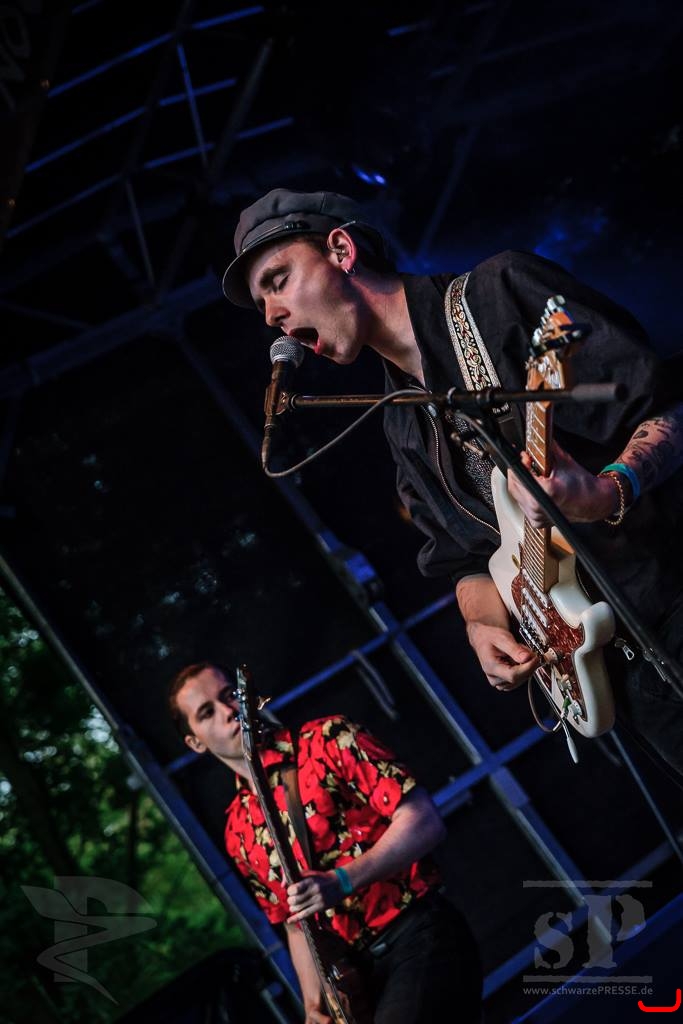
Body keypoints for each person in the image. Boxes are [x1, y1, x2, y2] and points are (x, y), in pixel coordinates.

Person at [220, 187, 683, 782]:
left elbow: (668, 409)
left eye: (278, 280)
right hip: (625, 678)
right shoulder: (398, 422)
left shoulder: (499, 293)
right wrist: (482, 626)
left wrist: (608, 491)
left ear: (341, 251)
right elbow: (464, 562)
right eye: (262, 301)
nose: (270, 316)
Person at [168, 661, 483, 1024]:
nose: (228, 711)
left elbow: (425, 821)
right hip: (356, 978)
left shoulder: (329, 739)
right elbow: (294, 921)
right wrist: (313, 1006)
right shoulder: (237, 831)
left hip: (420, 933)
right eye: (207, 713)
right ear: (195, 742)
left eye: (231, 695)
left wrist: (341, 881)